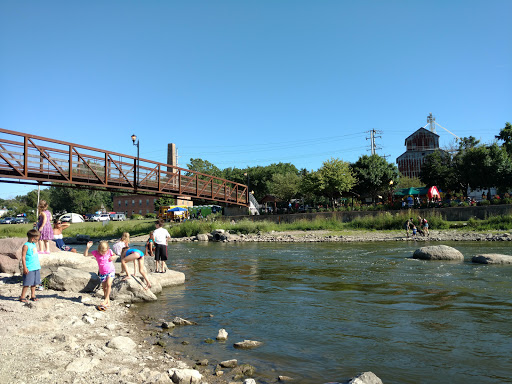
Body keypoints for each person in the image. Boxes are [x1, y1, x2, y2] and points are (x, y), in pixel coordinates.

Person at [84, 241, 115, 311]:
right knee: (104, 288)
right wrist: (87, 248)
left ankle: (105, 300)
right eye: (102, 252)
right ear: (98, 250)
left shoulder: (109, 251)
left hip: (111, 271)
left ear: (107, 249)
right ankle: (108, 302)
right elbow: (85, 255)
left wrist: (113, 257)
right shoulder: (96, 253)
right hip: (102, 273)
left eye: (105, 252)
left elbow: (114, 255)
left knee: (109, 284)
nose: (104, 253)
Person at [20, 229, 42, 303]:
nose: (37, 240)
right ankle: (22, 296)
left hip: (36, 266)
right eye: (37, 239)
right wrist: (25, 267)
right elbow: (23, 257)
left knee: (34, 283)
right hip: (29, 267)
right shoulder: (26, 246)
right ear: (32, 238)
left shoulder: (33, 244)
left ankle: (33, 295)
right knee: (27, 283)